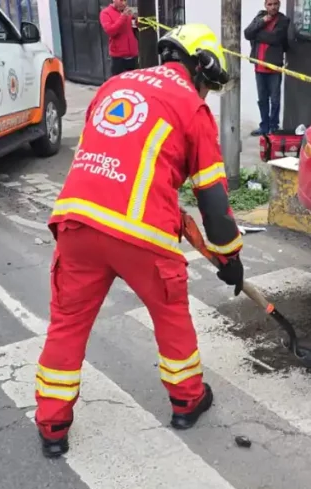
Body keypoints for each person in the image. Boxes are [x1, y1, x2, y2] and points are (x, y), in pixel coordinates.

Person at [34, 23, 244, 458]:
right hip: (141, 234)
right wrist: (230, 257)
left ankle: (52, 426)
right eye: (208, 85)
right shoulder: (191, 107)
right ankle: (187, 401)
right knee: (170, 314)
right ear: (200, 68)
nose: (206, 93)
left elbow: (116, 153)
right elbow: (214, 200)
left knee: (67, 324)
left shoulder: (115, 83)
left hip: (77, 220)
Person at [244, 0, 292, 136]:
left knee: (275, 99)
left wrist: (257, 34)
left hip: (274, 67)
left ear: (279, 4)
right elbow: (247, 33)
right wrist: (262, 22)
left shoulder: (283, 20)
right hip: (259, 66)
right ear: (265, 5)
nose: (273, 7)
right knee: (262, 99)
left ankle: (274, 127)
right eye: (270, 4)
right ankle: (264, 126)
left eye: (275, 4)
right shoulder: (260, 16)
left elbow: (276, 38)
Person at [100, 0, 139, 76]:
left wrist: (137, 20)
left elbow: (134, 29)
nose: (124, 3)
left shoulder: (127, 12)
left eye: (125, 0)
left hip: (133, 55)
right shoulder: (105, 13)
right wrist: (123, 17)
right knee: (119, 83)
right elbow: (110, 31)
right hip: (118, 57)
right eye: (121, 0)